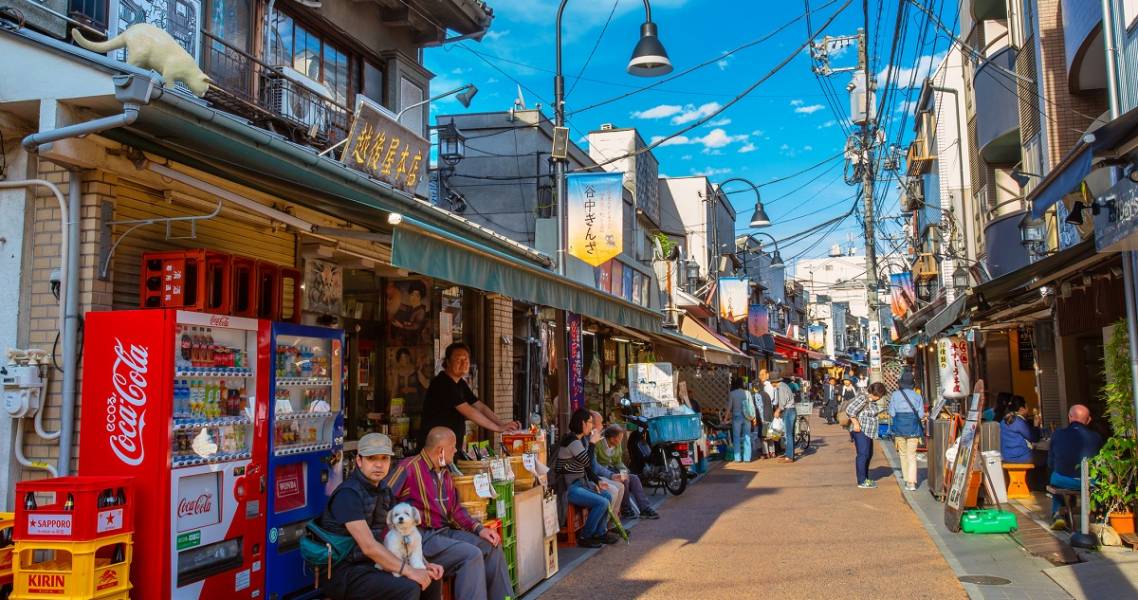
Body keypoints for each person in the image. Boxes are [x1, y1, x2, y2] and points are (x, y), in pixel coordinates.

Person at [385, 427, 512, 600]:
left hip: (444, 533)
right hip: (421, 538)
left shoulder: (444, 472)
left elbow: (455, 510)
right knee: (471, 555)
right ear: (441, 450)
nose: (456, 450)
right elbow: (384, 499)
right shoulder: (408, 467)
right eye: (453, 447)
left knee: (491, 546)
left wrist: (479, 529)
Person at [318, 433, 443, 600]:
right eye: (372, 459)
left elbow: (404, 533)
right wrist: (409, 571)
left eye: (384, 458)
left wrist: (423, 564)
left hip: (373, 564)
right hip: (345, 571)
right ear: (359, 461)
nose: (379, 465)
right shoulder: (348, 494)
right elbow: (368, 546)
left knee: (431, 579)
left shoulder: (384, 490)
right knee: (408, 587)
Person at [418, 343, 520, 449]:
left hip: (449, 447)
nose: (464, 363)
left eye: (466, 360)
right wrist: (498, 428)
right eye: (458, 360)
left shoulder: (460, 383)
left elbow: (479, 406)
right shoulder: (442, 383)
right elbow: (470, 411)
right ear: (447, 362)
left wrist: (501, 424)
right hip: (434, 448)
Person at [555, 409, 619, 548]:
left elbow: (586, 468)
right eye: (590, 422)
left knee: (607, 496)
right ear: (582, 423)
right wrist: (592, 444)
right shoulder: (572, 441)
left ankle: (599, 533)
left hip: (581, 484)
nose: (592, 426)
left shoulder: (578, 440)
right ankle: (585, 536)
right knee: (601, 502)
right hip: (570, 488)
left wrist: (598, 481)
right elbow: (587, 462)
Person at [1047, 404, 1104, 530]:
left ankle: (1057, 514)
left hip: (1063, 480)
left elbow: (1050, 463)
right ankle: (1099, 515)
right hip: (1089, 482)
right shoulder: (1096, 437)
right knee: (1099, 478)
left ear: (1069, 417)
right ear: (1088, 420)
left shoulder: (1057, 434)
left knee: (1055, 475)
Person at [595, 424, 660, 520]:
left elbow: (618, 462)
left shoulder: (616, 445)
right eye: (620, 437)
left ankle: (644, 508)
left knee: (634, 478)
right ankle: (626, 510)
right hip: (602, 473)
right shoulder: (598, 444)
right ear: (612, 439)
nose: (621, 440)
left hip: (612, 470)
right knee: (624, 479)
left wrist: (625, 471)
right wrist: (615, 475)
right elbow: (595, 465)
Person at [889, 371, 925, 491]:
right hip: (913, 428)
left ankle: (906, 479)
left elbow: (892, 413)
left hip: (899, 428)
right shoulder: (917, 396)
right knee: (912, 455)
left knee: (903, 454)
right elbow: (920, 415)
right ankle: (912, 482)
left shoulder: (895, 395)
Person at [847, 382, 887, 489]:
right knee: (863, 454)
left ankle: (865, 478)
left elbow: (869, 412)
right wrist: (855, 423)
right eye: (880, 395)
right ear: (876, 394)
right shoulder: (863, 398)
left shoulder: (870, 400)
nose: (880, 398)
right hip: (860, 430)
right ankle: (861, 480)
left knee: (868, 454)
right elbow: (850, 410)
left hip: (867, 431)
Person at [587, 411, 625, 517]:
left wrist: (624, 472)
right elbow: (593, 466)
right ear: (592, 425)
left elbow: (619, 462)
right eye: (601, 423)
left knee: (627, 480)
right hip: (590, 477)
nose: (602, 426)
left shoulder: (593, 440)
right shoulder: (595, 442)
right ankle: (602, 528)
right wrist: (609, 476)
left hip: (603, 473)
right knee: (614, 490)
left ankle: (612, 524)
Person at [999, 396, 1041, 465]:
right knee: (1044, 457)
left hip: (1006, 458)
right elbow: (1034, 438)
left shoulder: (1003, 421)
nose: (1028, 410)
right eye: (1027, 407)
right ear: (1021, 409)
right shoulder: (1018, 421)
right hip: (1021, 459)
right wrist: (1036, 425)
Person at [727, 376, 755, 463]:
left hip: (736, 417)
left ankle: (737, 458)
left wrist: (725, 417)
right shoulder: (747, 393)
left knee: (736, 437)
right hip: (747, 417)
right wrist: (754, 418)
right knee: (747, 437)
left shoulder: (732, 393)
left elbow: (729, 407)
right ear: (742, 384)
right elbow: (752, 406)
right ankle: (747, 458)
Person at [772, 369, 797, 463]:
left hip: (789, 410)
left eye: (771, 382)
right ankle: (788, 453)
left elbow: (782, 403)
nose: (771, 385)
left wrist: (777, 411)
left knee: (788, 434)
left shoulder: (781, 387)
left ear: (774, 382)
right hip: (791, 410)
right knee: (790, 434)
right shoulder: (784, 385)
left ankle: (789, 457)